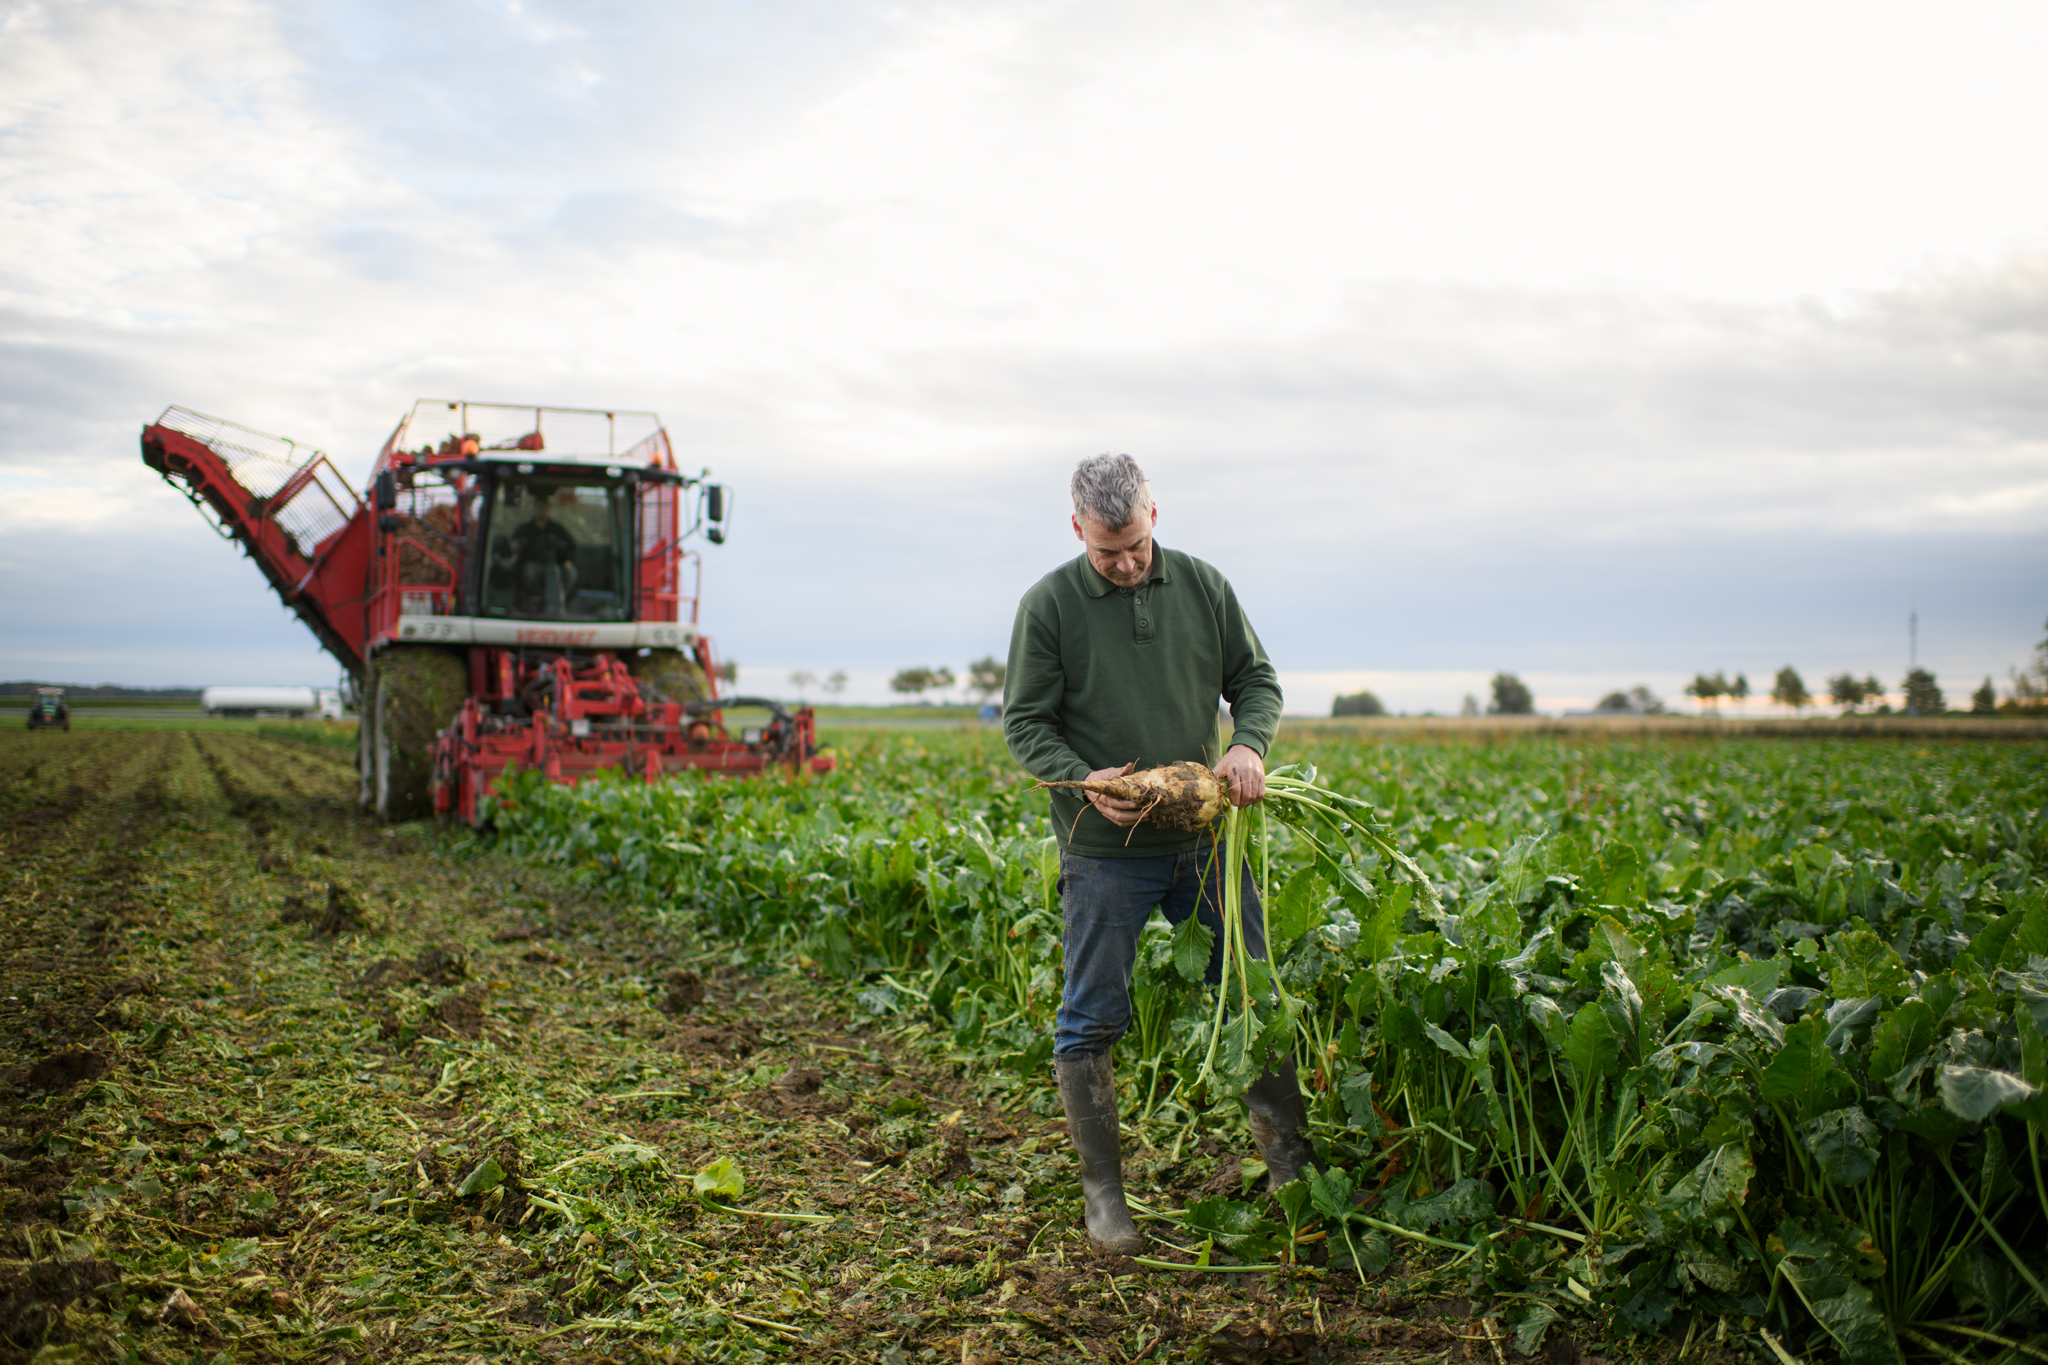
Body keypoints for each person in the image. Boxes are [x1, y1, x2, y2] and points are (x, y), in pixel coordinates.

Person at [1002, 453, 1314, 1257]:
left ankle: (1290, 1168)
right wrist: (1080, 779)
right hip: (1105, 850)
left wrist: (1247, 745)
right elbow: (1026, 725)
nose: (1127, 562)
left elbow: (1257, 681)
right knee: (1091, 1013)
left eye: (1136, 544)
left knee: (1249, 989)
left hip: (1206, 843)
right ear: (1078, 529)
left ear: (1152, 513)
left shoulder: (1205, 587)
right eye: (1108, 552)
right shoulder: (1049, 606)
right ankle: (1105, 1196)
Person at [506, 493, 579, 610]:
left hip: (554, 565)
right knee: (531, 571)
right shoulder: (525, 528)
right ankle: (547, 601)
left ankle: (554, 606)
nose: (542, 511)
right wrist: (515, 546)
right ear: (534, 509)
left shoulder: (557, 528)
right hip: (533, 565)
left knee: (567, 572)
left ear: (549, 510)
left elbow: (572, 545)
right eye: (539, 508)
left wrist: (567, 560)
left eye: (545, 508)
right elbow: (513, 542)